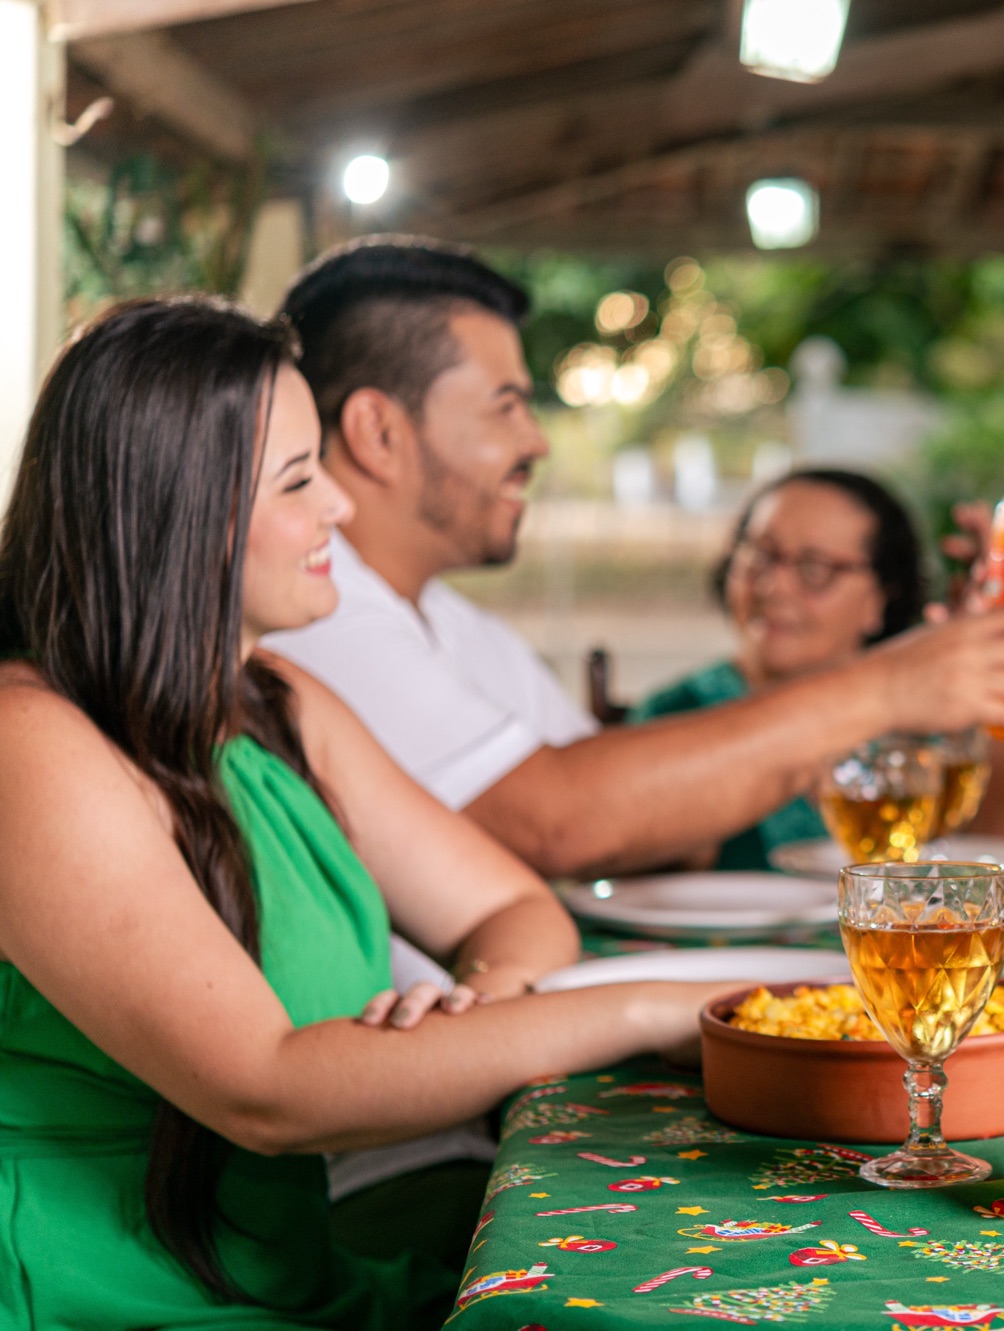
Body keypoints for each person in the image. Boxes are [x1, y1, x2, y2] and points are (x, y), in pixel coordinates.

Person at [0, 297, 739, 1323]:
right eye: (300, 480)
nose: (340, 509)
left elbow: (515, 909)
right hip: (100, 1295)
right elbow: (267, 1090)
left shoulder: (275, 702)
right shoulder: (29, 743)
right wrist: (646, 1007)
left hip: (288, 1278)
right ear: (177, 509)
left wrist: (476, 1000)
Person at [263, 237, 1004, 879]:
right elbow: (562, 821)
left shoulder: (453, 624)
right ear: (378, 432)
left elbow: (645, 822)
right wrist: (890, 686)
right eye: (507, 407)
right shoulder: (316, 622)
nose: (538, 442)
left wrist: (951, 696)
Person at [629, 468, 930, 870]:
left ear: (882, 598)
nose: (774, 587)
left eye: (814, 569)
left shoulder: (926, 733)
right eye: (761, 555)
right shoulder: (675, 716)